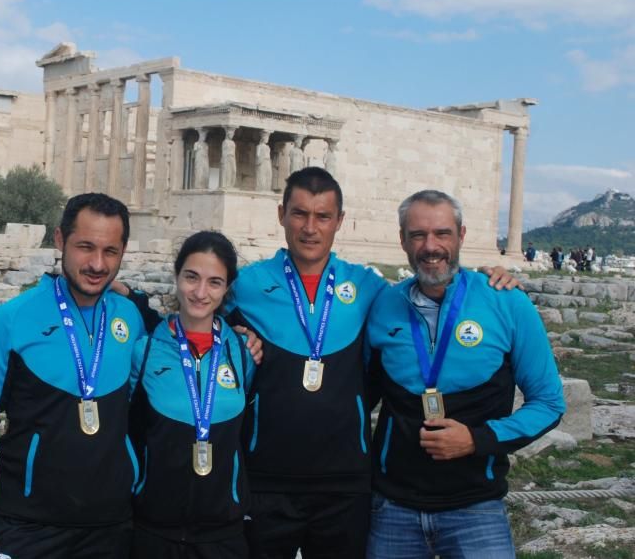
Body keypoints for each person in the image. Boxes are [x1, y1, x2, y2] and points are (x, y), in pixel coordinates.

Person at [223, 167, 517, 559]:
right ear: (281, 215)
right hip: (265, 481)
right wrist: (125, 293)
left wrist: (485, 277)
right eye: (299, 214)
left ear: (339, 221)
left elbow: (432, 283)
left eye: (323, 216)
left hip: (346, 485)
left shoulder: (369, 288)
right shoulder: (244, 286)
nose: (310, 228)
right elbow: (194, 313)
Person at [364, 190, 565, 558]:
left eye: (442, 233)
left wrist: (478, 439)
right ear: (402, 241)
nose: (431, 246)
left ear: (461, 235)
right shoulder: (383, 305)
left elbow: (549, 402)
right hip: (393, 509)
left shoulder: (507, 301)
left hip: (476, 509)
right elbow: (357, 394)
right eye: (418, 235)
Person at [0, 193, 146, 559]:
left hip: (113, 525)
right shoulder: (12, 319)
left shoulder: (130, 318)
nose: (96, 263)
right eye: (85, 247)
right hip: (28, 525)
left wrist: (237, 336)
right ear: (60, 240)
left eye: (110, 251)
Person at [127, 231, 256, 558]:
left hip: (223, 535)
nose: (200, 292)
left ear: (227, 288)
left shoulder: (243, 353)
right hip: (152, 531)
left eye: (214, 282)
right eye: (191, 277)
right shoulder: (145, 351)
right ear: (177, 276)